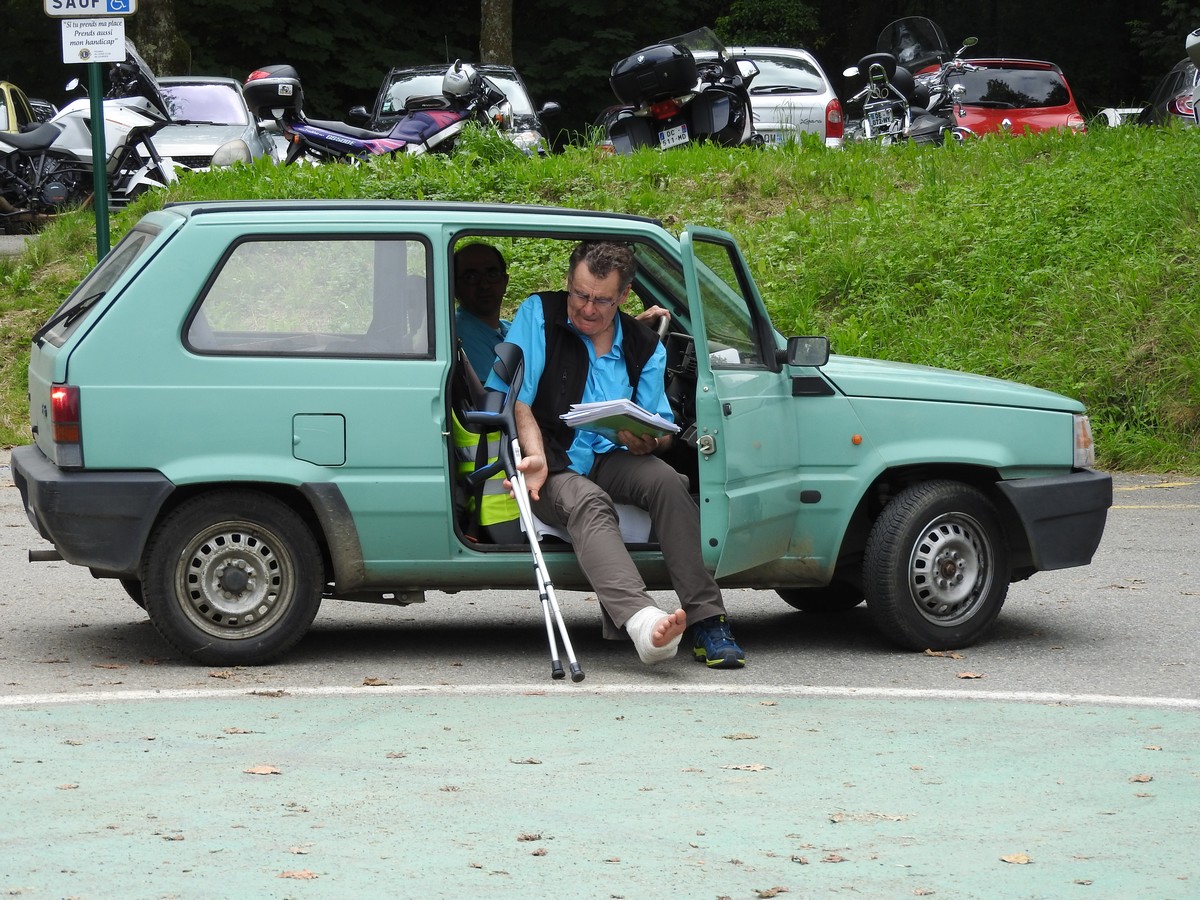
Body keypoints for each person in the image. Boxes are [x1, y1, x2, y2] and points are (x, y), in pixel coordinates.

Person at [484, 240, 745, 669]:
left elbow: (660, 426)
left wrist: (647, 441)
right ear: (569, 282)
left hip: (610, 454)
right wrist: (535, 457)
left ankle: (707, 619)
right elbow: (517, 399)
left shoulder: (644, 345)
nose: (587, 308)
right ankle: (644, 623)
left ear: (624, 296)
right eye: (579, 294)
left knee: (667, 481)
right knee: (588, 501)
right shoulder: (539, 314)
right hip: (552, 461)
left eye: (602, 300)